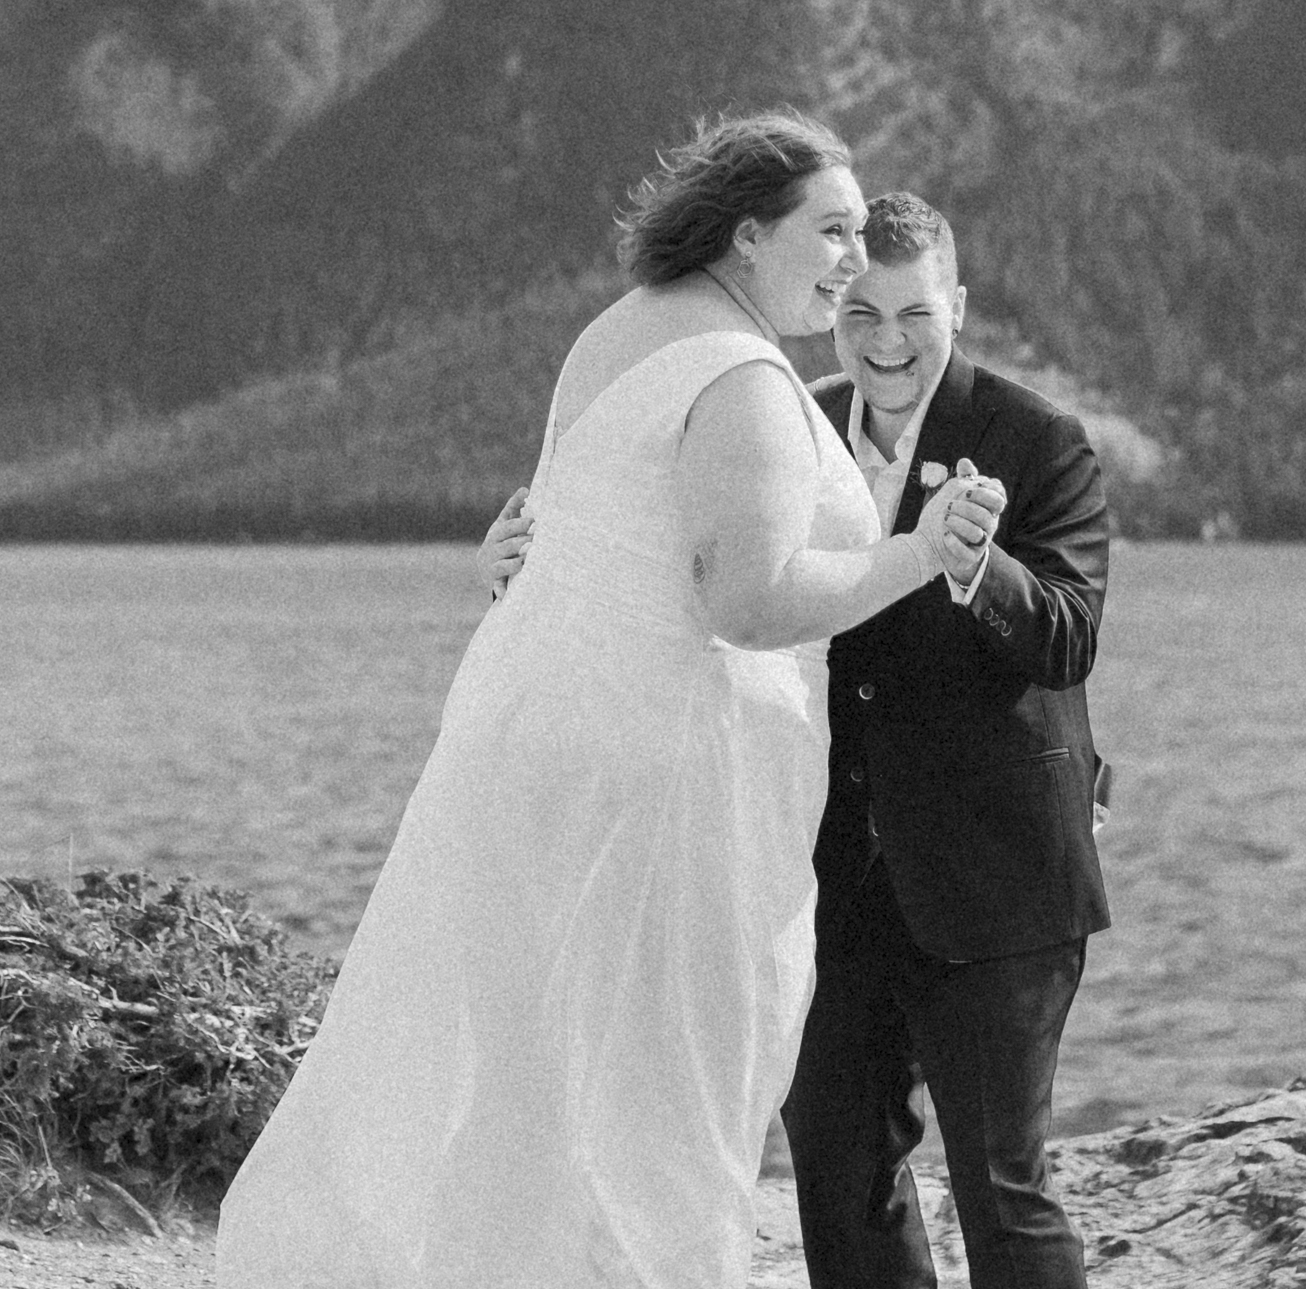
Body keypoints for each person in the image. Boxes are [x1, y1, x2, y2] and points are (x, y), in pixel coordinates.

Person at [216, 114, 990, 1289]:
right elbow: (749, 599)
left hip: (531, 740)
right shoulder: (739, 373)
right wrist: (924, 549)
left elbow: (565, 531)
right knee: (659, 1094)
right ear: (748, 233)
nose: (850, 259)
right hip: (660, 781)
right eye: (831, 232)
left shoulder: (615, 333)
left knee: (531, 1074)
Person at [782, 190, 1110, 1289]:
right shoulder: (793, 428)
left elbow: (1067, 638)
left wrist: (976, 565)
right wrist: (533, 572)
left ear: (957, 307)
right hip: (831, 883)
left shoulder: (1041, 439)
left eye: (912, 314)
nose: (885, 342)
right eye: (860, 313)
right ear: (831, 308)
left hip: (1000, 878)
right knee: (838, 1179)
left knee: (1001, 1195)